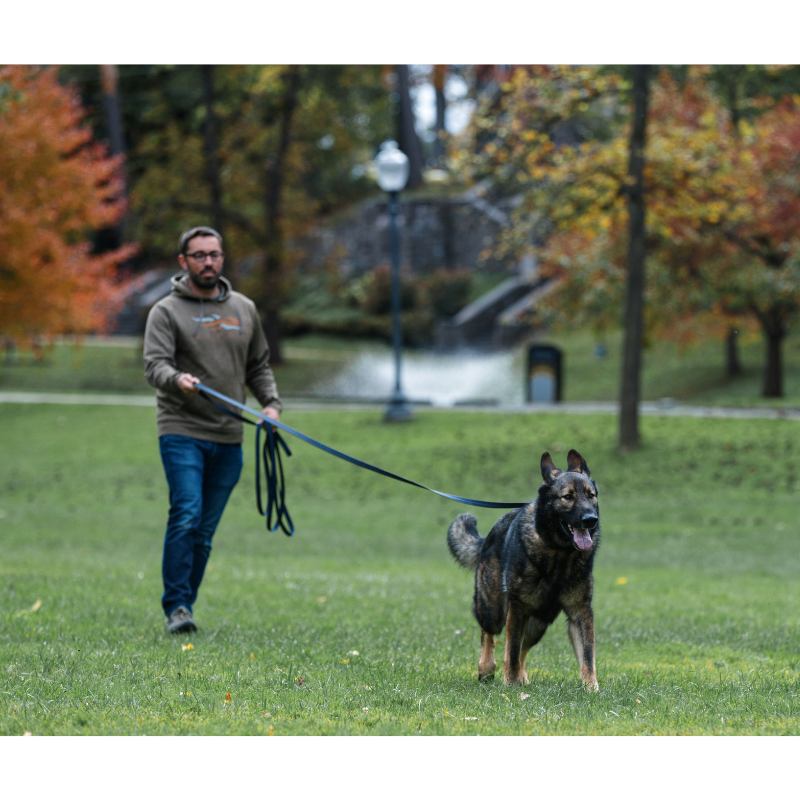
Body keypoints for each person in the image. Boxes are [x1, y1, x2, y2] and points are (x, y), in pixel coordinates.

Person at [144, 226, 281, 633]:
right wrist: (176, 379)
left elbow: (258, 365)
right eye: (199, 255)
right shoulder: (166, 312)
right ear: (183, 262)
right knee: (186, 514)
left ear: (223, 258)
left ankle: (185, 605)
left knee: (203, 532)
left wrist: (271, 404)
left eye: (215, 254)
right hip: (181, 430)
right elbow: (155, 365)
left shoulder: (244, 308)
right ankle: (177, 608)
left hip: (229, 437)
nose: (208, 262)